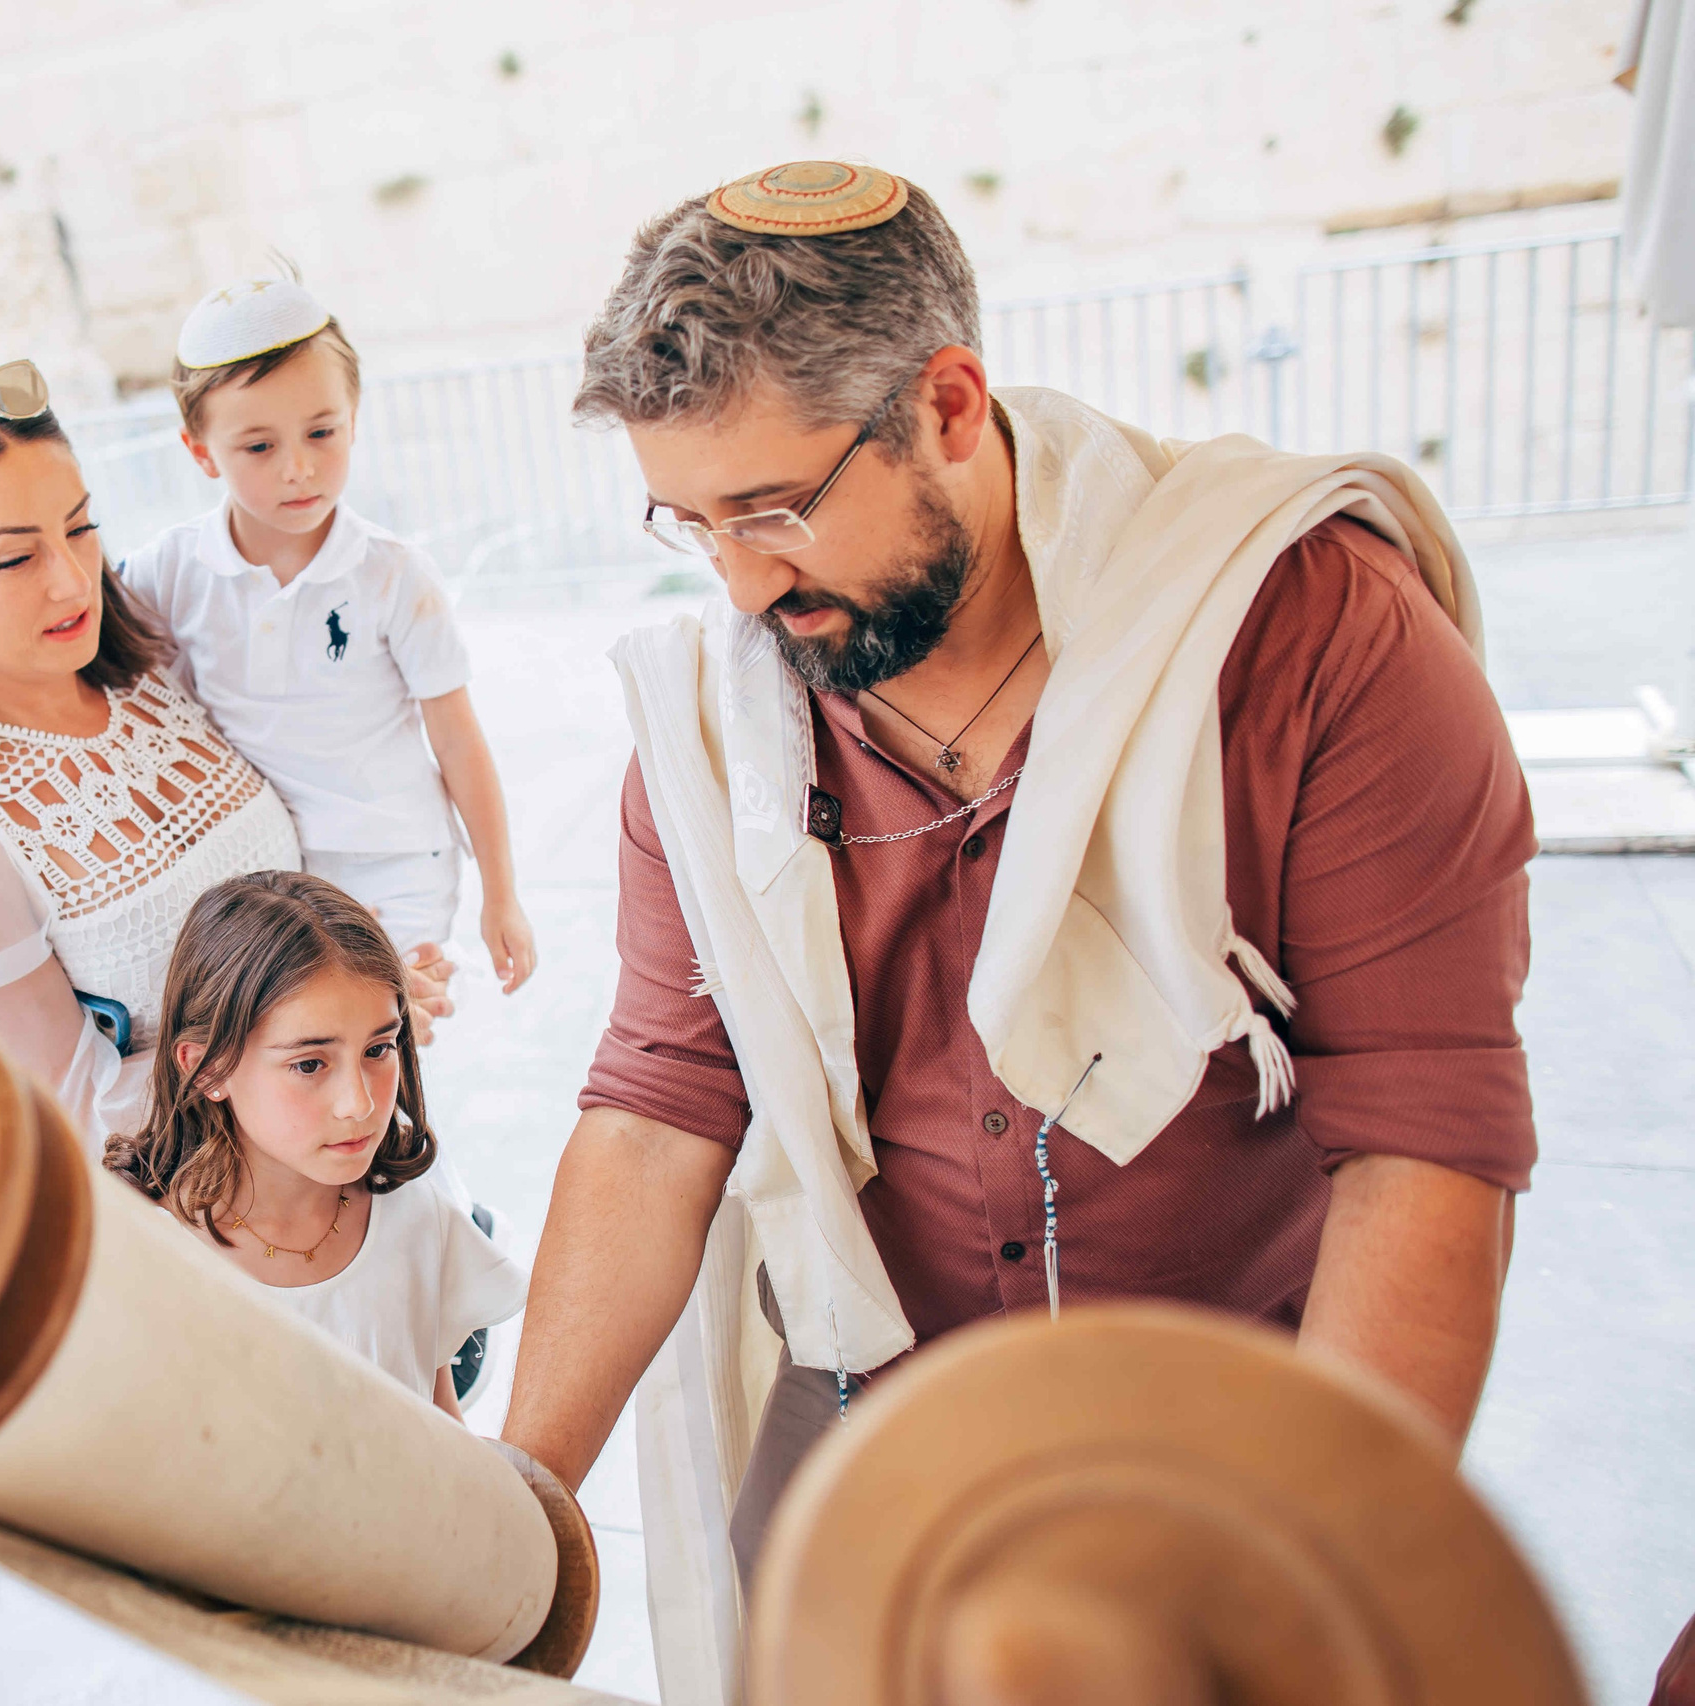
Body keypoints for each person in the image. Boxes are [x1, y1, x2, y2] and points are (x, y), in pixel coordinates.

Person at [495, 162, 1533, 1695]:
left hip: (1239, 1423)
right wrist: (518, 1508)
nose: (741, 580)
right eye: (692, 521)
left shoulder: (1310, 632)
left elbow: (1424, 1144)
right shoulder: (721, 723)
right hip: (869, 1408)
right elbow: (659, 1110)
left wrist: (1319, 1566)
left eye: (777, 508)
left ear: (952, 405)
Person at [0, 360, 448, 1143]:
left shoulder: (153, 674)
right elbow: (65, 1117)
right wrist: (316, 1036)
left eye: (79, 528)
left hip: (357, 1145)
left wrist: (363, 981)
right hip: (207, 1224)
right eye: (15, 558)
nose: (74, 584)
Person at [120, 275, 537, 995]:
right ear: (200, 452)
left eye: (322, 432)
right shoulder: (168, 571)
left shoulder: (395, 574)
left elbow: (459, 739)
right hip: (257, 872)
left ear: (354, 417)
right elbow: (85, 677)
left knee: (386, 1038)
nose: (300, 469)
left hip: (397, 856)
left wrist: (502, 892)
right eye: (258, 446)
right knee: (296, 1064)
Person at [106, 871, 526, 1415]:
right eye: (309, 1063)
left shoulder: (414, 1218)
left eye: (379, 1049)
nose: (359, 1103)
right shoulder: (144, 1259)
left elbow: (446, 1439)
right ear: (208, 1069)